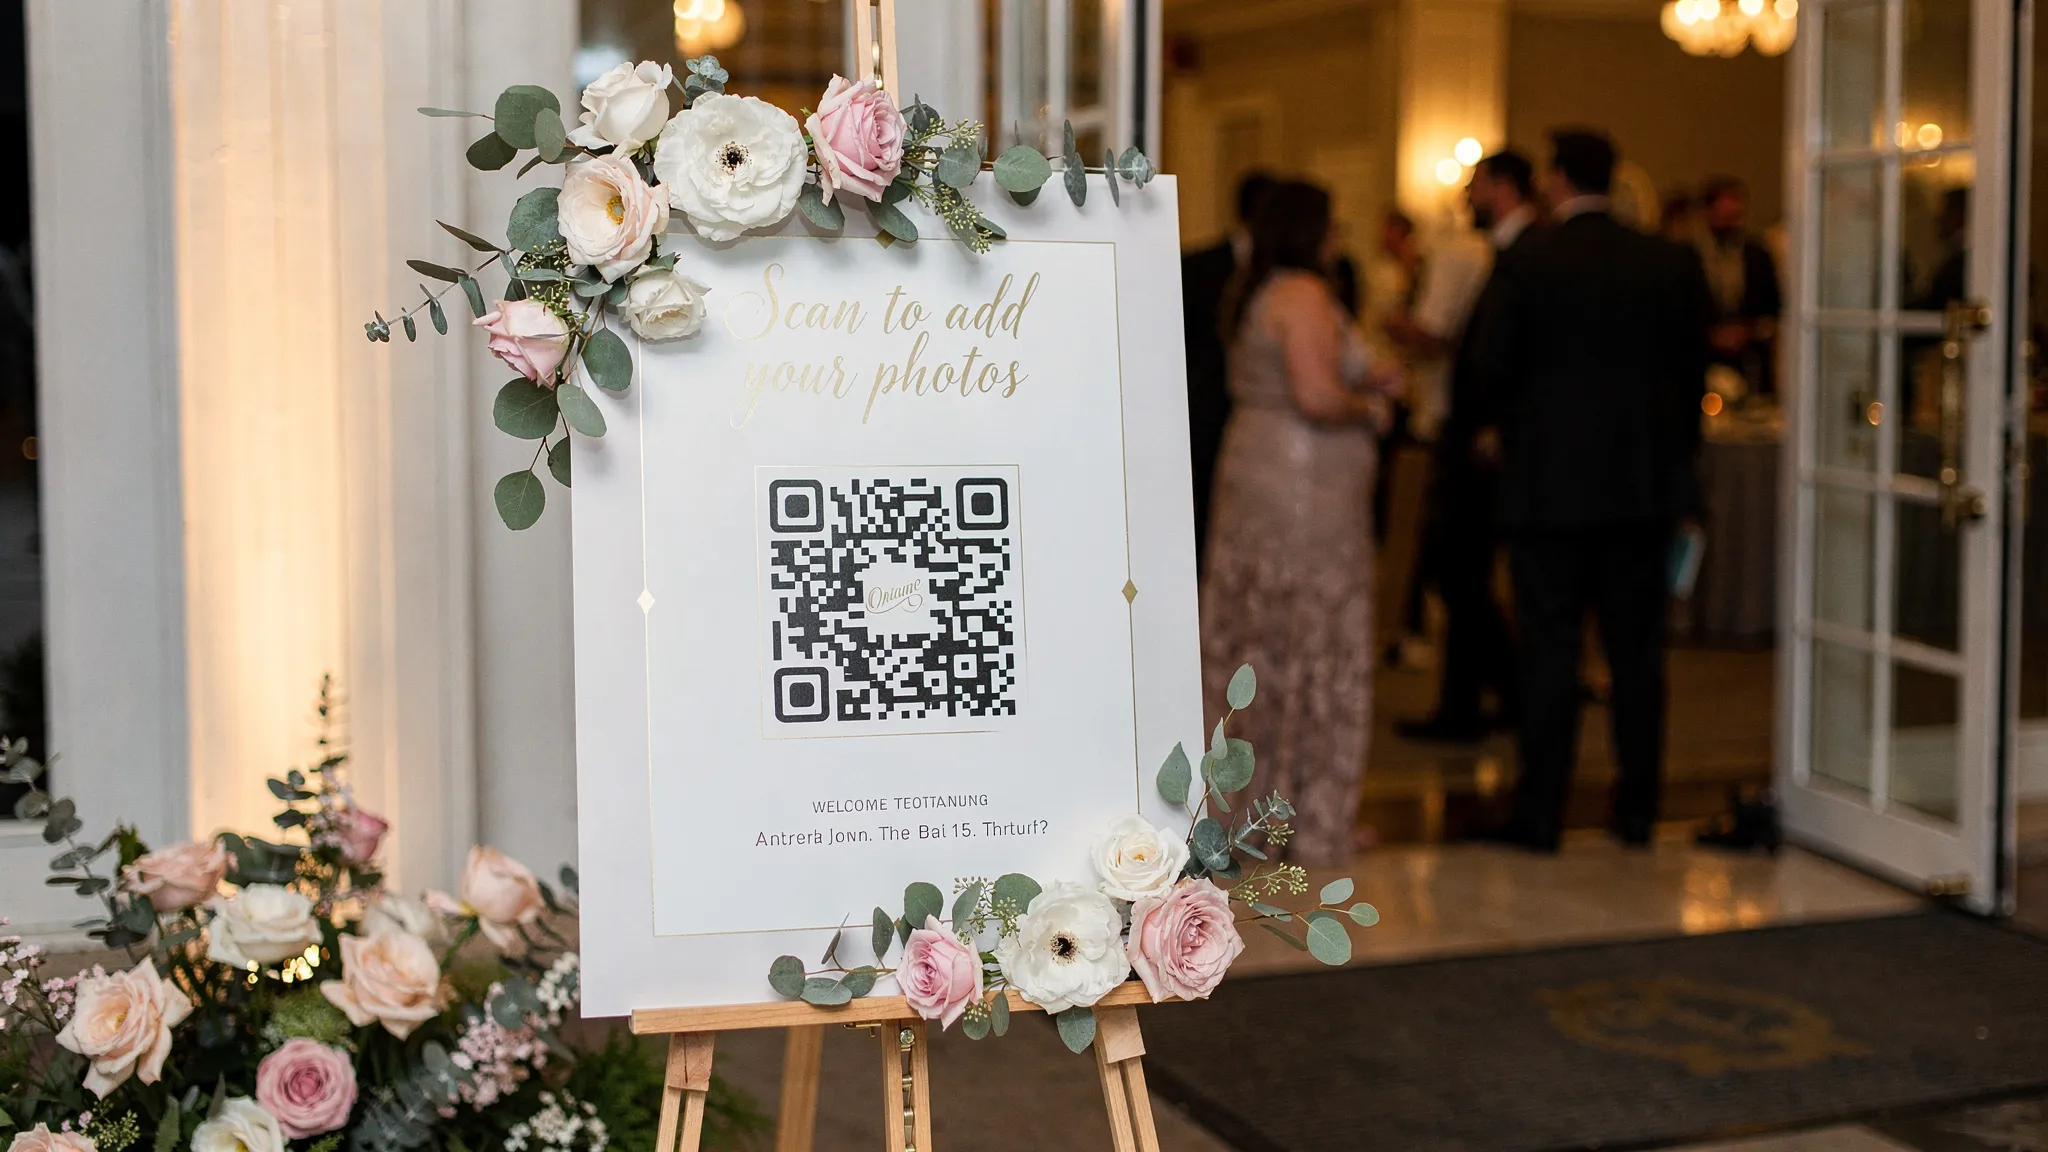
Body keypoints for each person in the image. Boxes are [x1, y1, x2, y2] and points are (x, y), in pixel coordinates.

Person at [1467, 129, 1710, 851]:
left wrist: (1510, 428)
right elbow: (1692, 376)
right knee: (1639, 654)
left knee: (1550, 651)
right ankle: (1638, 809)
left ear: (1558, 179)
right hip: (1640, 491)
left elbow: (1487, 366)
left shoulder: (1530, 261)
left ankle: (1540, 814)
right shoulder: (1667, 262)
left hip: (1549, 492)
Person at [1201, 181, 1402, 867]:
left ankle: (1244, 811)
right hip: (1303, 492)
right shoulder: (1305, 296)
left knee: (1257, 640)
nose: (1338, 238)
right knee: (1307, 639)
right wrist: (1371, 407)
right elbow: (1317, 396)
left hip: (1257, 474)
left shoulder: (1255, 293)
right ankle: (1301, 817)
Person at [1397, 150, 1542, 743]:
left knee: (1460, 570)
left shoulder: (1525, 256)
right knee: (1461, 572)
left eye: (1476, 185)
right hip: (1473, 431)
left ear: (1502, 187)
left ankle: (1484, 702)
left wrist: (1493, 424)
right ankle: (1497, 695)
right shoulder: (1500, 253)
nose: (1467, 196)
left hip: (1485, 438)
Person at [1182, 172, 1277, 568]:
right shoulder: (1197, 265)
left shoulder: (1280, 273)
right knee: (1204, 504)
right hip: (1206, 408)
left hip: (1261, 418)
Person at [1695, 176, 1782, 398]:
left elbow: (1774, 308)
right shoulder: (1690, 256)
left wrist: (1746, 330)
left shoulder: (1757, 256)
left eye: (1735, 217)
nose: (1731, 224)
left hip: (1750, 361)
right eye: (1724, 217)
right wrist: (1711, 335)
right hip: (1701, 359)